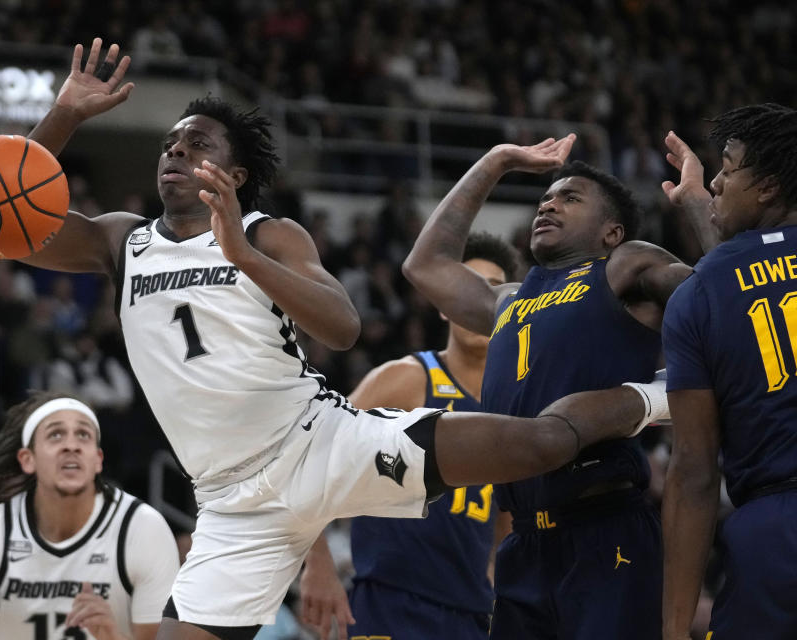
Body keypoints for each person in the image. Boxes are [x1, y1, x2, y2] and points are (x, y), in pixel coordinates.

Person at [18, 39, 670, 639]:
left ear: (236, 175)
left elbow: (341, 324)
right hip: (229, 502)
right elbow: (10, 222)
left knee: (544, 442)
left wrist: (243, 255)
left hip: (318, 442)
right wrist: (63, 118)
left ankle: (660, 396)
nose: (177, 153)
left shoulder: (270, 235)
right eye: (171, 144)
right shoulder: (120, 239)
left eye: (197, 144)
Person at [403, 135, 694, 639]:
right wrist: (494, 163)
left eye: (570, 198)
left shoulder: (624, 266)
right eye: (545, 197)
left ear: (611, 232)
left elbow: (718, 299)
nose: (549, 203)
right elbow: (424, 265)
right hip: (524, 543)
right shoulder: (509, 300)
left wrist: (662, 396)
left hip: (605, 529)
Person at [299, 233, 519, 639]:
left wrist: (494, 577)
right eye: (469, 285)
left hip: (469, 613)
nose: (480, 300)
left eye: (492, 289)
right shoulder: (407, 378)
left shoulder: (511, 405)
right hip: (389, 600)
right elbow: (312, 452)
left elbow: (505, 517)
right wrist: (319, 563)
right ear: (444, 304)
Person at [661, 103, 797, 640]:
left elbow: (694, 476)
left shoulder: (698, 294)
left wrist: (673, 629)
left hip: (773, 533)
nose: (714, 181)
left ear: (765, 187)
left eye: (728, 167)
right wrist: (699, 204)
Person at [0, 391, 179, 640]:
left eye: (83, 435)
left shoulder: (142, 529)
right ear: (28, 459)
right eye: (55, 435)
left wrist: (112, 637)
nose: (72, 445)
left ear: (98, 459)